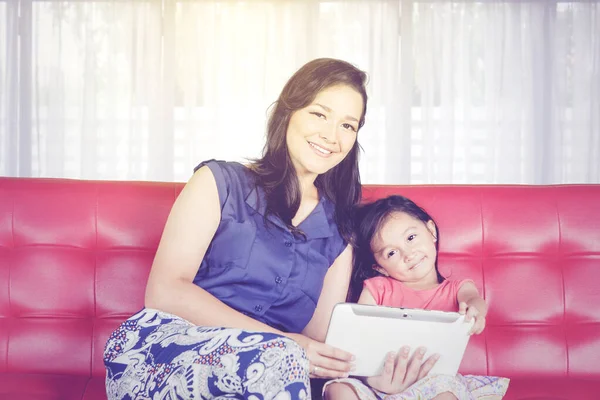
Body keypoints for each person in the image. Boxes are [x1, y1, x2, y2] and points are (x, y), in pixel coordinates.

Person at [103, 58, 435, 400]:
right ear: (288, 111)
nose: (331, 136)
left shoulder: (339, 234)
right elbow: (165, 291)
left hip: (268, 376)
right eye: (319, 114)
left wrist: (374, 381)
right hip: (167, 352)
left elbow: (317, 342)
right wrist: (284, 343)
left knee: (282, 363)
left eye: (347, 126)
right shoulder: (218, 182)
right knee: (283, 360)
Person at [324, 195, 510, 400]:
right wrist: (372, 380)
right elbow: (358, 338)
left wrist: (475, 311)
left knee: (446, 393)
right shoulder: (377, 288)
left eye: (411, 238)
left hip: (433, 383)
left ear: (431, 231)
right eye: (392, 253)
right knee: (339, 389)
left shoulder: (456, 289)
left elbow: (474, 300)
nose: (408, 254)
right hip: (378, 381)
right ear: (380, 268)